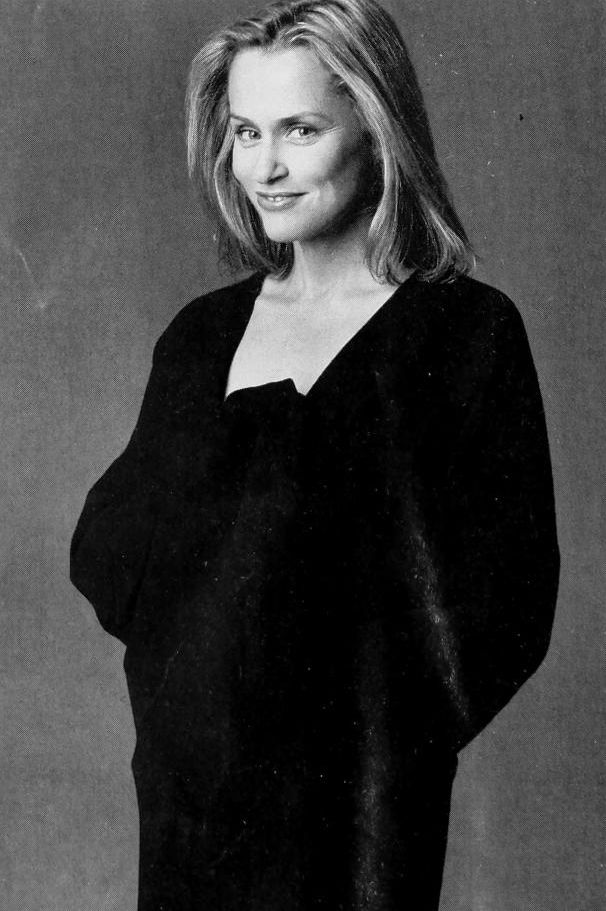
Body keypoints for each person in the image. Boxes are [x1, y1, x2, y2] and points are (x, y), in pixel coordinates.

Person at [70, 1, 560, 908]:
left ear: (376, 129)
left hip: (355, 816)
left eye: (300, 129)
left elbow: (507, 605)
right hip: (188, 804)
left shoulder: (466, 335)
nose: (265, 167)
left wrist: (373, 736)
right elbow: (110, 555)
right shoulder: (199, 338)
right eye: (245, 131)